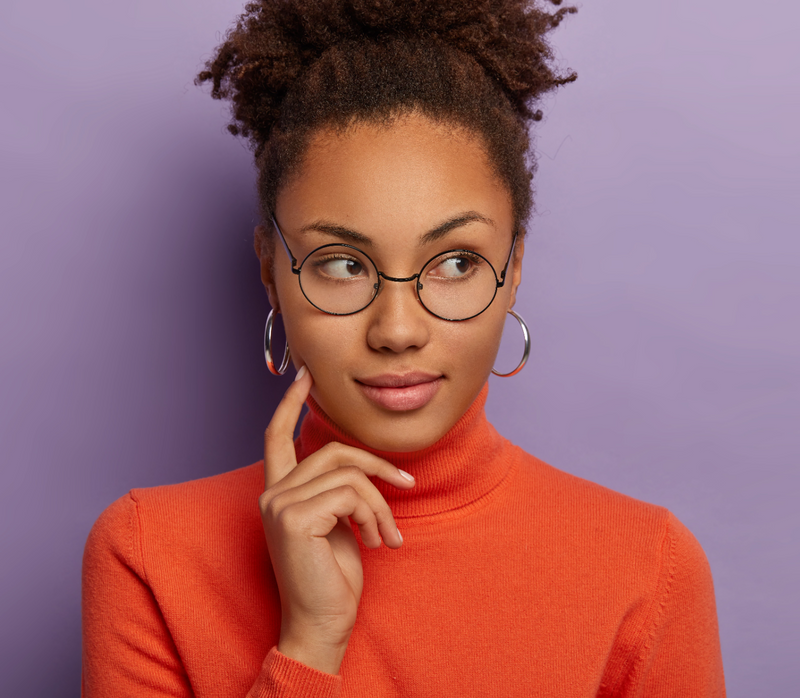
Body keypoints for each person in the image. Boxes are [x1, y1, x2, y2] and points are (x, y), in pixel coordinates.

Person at [81, 0, 726, 695]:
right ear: (270, 266)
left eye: (454, 264)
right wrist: (309, 645)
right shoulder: (148, 554)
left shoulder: (646, 568)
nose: (397, 329)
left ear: (512, 270)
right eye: (342, 263)